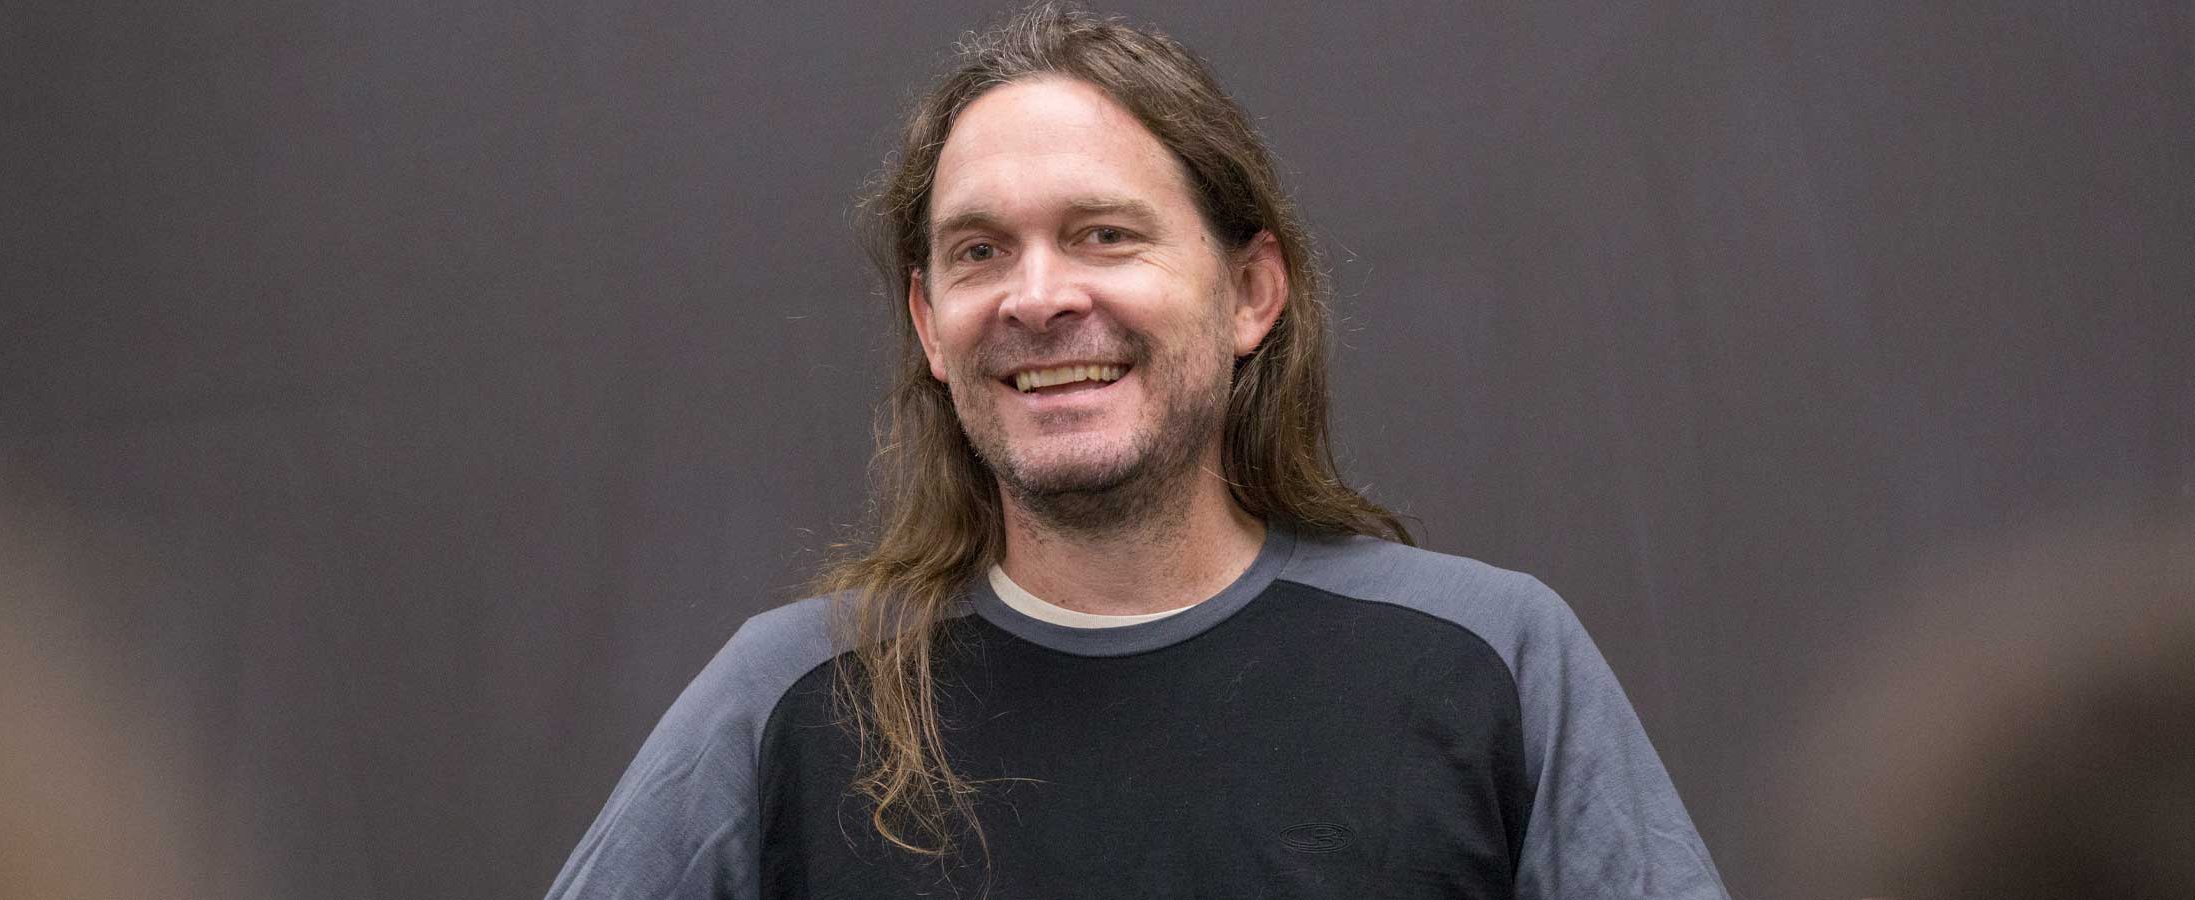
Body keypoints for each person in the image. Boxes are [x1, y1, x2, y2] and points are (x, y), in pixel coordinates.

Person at [545, 5, 1727, 898]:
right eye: (978, 253)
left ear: (1250, 290)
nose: (1039, 298)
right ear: (928, 327)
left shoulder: (1493, 664)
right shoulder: (790, 698)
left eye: (1104, 235)